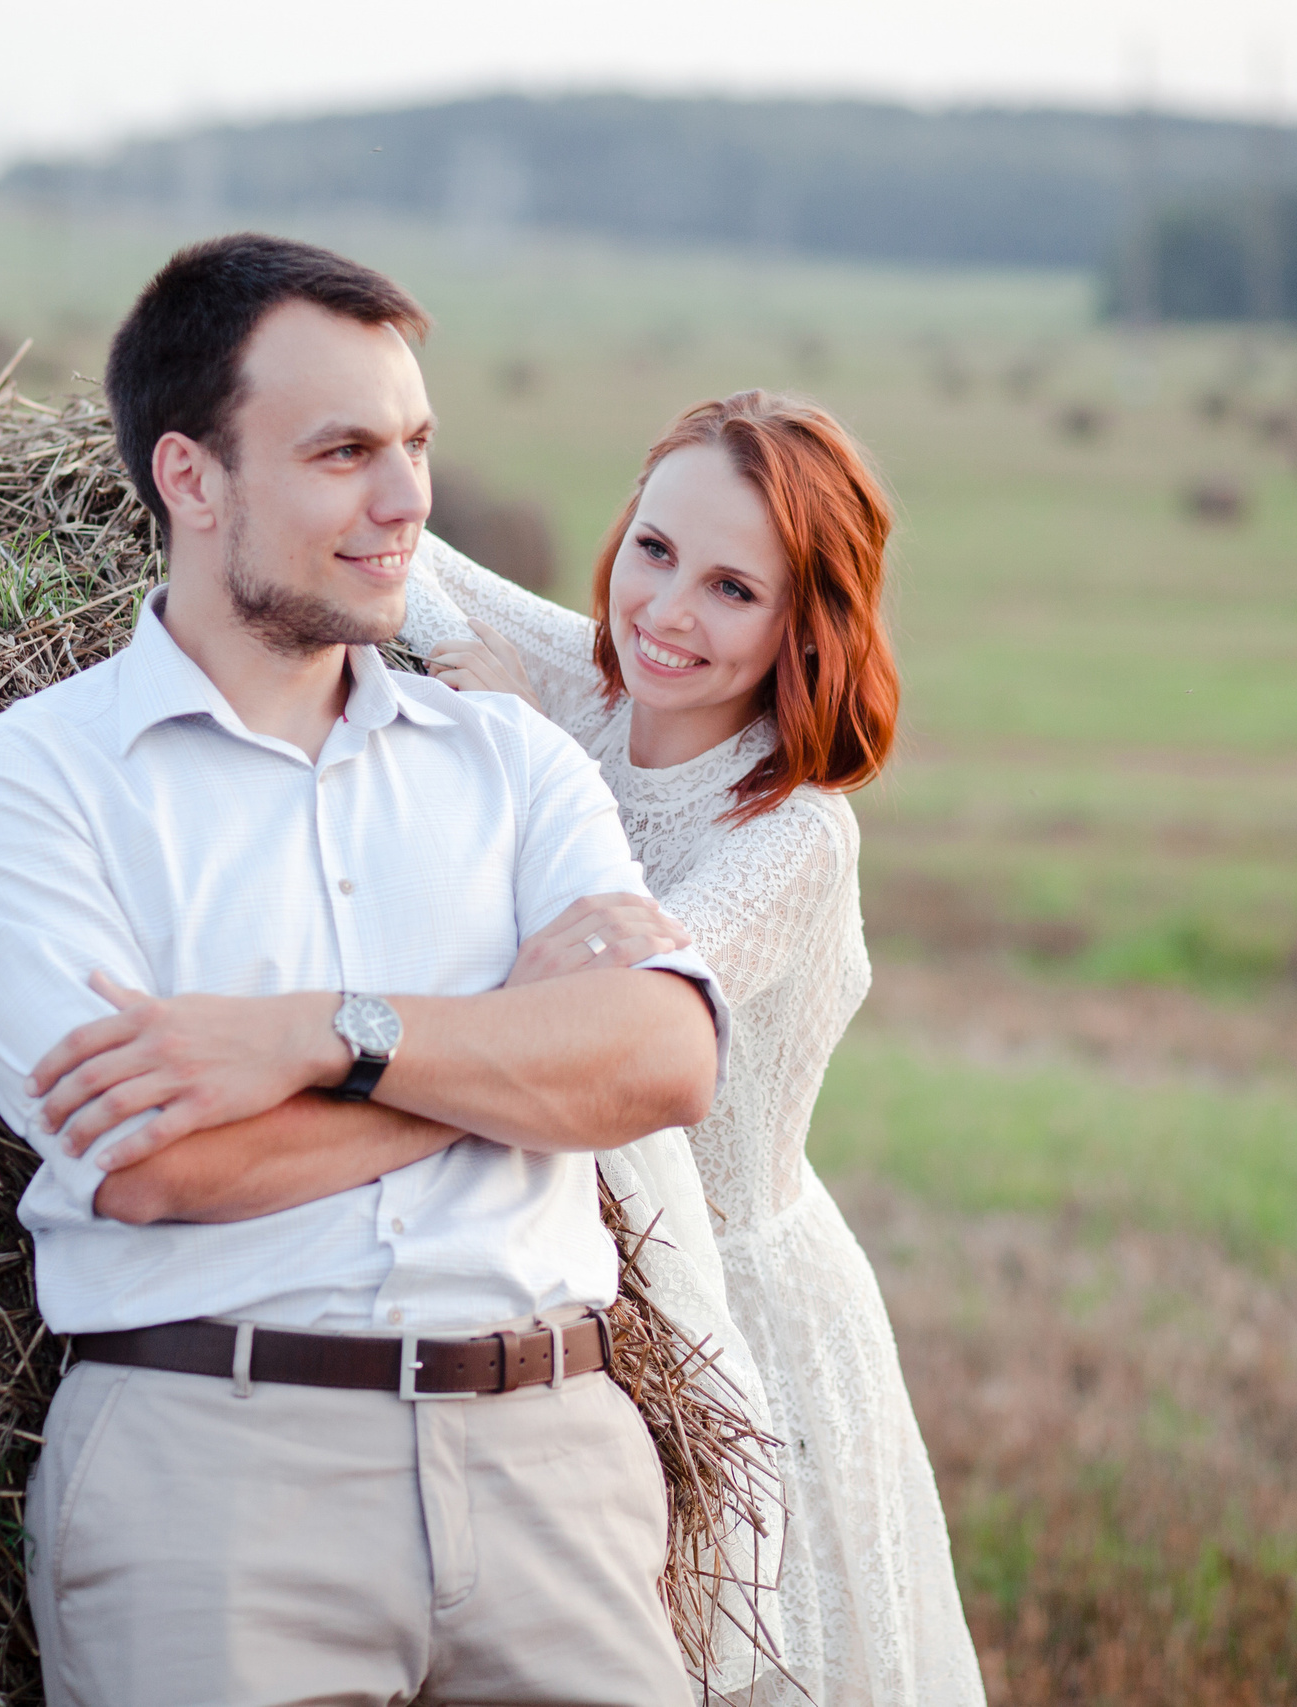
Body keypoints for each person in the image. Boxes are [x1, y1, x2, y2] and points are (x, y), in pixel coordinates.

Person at [0, 233, 733, 1707]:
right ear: (192, 477)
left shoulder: (513, 761)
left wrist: (319, 1039)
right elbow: (152, 1166)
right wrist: (515, 1052)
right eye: (346, 451)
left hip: (556, 1464)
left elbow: (666, 1062)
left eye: (416, 445)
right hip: (218, 1481)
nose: (409, 501)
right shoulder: (27, 786)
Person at [404, 392, 989, 1707]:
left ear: (804, 623)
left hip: (735, 1310)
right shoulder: (594, 676)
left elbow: (614, 999)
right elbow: (406, 560)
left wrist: (511, 738)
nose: (666, 612)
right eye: (653, 550)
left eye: (734, 588)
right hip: (555, 1269)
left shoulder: (791, 832)